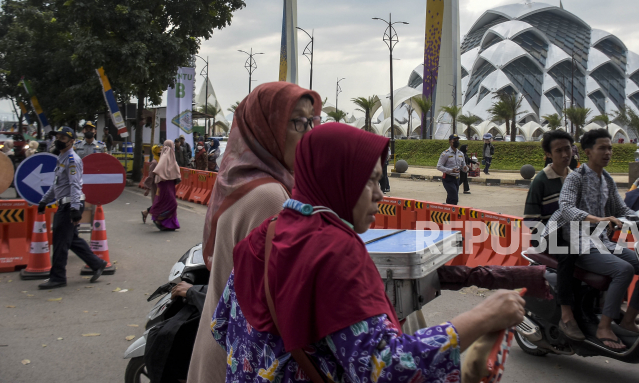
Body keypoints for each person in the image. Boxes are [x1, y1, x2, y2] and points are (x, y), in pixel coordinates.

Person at [210, 123, 526, 383]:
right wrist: (483, 315)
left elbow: (221, 327)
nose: (380, 194)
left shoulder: (263, 235)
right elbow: (389, 368)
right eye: (370, 181)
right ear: (338, 179)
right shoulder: (335, 251)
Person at [188, 82, 322, 383]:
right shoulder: (271, 196)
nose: (308, 133)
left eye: (310, 121)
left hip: (224, 345)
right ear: (267, 128)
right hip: (244, 360)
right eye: (297, 122)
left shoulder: (241, 180)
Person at [542, 128, 639, 350]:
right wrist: (598, 218)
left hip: (601, 241)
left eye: (610, 147)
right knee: (623, 270)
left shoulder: (606, 179)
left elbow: (621, 208)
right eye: (602, 148)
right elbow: (567, 208)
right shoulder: (575, 177)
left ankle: (628, 320)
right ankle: (604, 326)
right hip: (576, 242)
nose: (608, 152)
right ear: (588, 152)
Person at [523, 129, 582, 341]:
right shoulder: (540, 181)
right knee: (569, 250)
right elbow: (530, 219)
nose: (565, 154)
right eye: (559, 150)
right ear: (549, 154)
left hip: (571, 233)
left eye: (568, 149)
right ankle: (566, 314)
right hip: (546, 236)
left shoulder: (575, 178)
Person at [35, 126, 107, 289]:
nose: (58, 141)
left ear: (71, 141)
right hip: (67, 203)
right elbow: (57, 185)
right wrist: (44, 201)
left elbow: (75, 185)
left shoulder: (72, 160)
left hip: (69, 205)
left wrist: (75, 209)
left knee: (60, 241)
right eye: (57, 137)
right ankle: (97, 264)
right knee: (72, 240)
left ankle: (58, 277)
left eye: (62, 138)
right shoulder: (61, 157)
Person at [145, 140, 181, 231]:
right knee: (172, 204)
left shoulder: (171, 158)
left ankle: (169, 224)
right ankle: (158, 219)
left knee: (168, 204)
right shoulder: (164, 157)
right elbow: (159, 170)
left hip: (170, 185)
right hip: (164, 185)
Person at [437, 134, 467, 205]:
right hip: (448, 179)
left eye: (457, 140)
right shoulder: (446, 154)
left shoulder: (461, 154)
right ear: (450, 141)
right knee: (454, 198)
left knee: (450, 198)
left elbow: (464, 166)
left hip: (456, 179)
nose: (456, 141)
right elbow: (439, 166)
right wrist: (450, 170)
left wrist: (465, 168)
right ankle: (453, 214)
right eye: (454, 140)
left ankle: (447, 212)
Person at [141, 145, 161, 222]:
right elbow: (150, 176)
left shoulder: (160, 161)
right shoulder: (154, 162)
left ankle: (146, 212)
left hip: (160, 184)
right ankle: (155, 218)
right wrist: (147, 188)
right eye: (158, 150)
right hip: (155, 185)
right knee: (157, 202)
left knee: (159, 201)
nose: (160, 152)